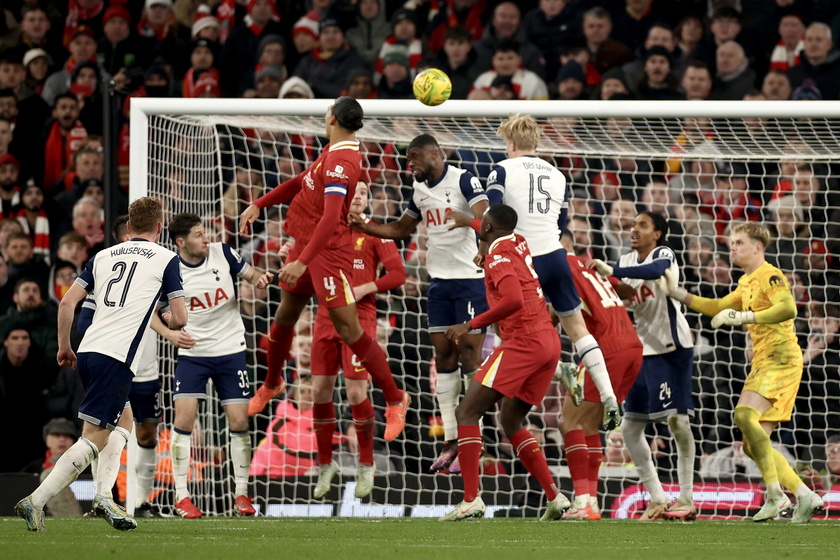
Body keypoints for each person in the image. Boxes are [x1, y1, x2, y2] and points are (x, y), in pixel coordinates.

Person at [240, 97, 410, 445]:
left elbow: (332, 217)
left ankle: (395, 398)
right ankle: (273, 382)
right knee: (284, 316)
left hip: (326, 252)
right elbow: (300, 183)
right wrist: (260, 202)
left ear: (331, 116)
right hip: (306, 243)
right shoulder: (333, 151)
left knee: (349, 331)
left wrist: (302, 261)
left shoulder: (342, 162)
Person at [15, 197, 187, 532]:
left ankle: (104, 496)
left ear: (127, 228)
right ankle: (36, 500)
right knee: (94, 438)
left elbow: (67, 302)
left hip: (90, 349)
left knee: (124, 421)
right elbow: (179, 317)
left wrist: (65, 346)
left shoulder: (102, 256)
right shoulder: (167, 259)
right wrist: (171, 316)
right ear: (160, 228)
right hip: (117, 356)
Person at [446, 113, 621, 430]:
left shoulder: (502, 168)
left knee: (510, 332)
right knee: (578, 330)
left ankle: (557, 369)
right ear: (536, 143)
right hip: (555, 256)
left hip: (522, 259)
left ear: (510, 143)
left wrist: (485, 248)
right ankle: (610, 397)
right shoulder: (557, 174)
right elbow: (561, 225)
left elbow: (494, 216)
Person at [661, 222, 826, 524]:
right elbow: (718, 306)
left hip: (781, 359)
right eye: (732, 242)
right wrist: (676, 293)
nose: (732, 247)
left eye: (738, 242)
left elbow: (788, 308)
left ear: (757, 247)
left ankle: (775, 496)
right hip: (763, 361)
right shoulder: (746, 281)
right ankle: (804, 494)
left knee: (743, 415)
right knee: (752, 445)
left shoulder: (770, 275)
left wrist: (744, 316)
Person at [347, 133, 488, 472]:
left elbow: (490, 221)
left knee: (469, 354)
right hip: (438, 284)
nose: (409, 166)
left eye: (413, 159)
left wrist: (468, 221)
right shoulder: (419, 191)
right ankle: (452, 438)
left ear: (435, 154)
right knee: (443, 357)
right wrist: (365, 225)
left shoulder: (464, 180)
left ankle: (475, 436)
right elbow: (400, 229)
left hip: (470, 282)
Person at [440, 203, 570, 521]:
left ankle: (471, 499)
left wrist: (470, 325)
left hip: (523, 342)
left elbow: (513, 299)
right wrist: (468, 220)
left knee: (466, 411)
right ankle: (556, 497)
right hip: (548, 343)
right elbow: (493, 229)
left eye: (481, 224)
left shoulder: (497, 257)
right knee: (510, 422)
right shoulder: (517, 241)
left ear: (488, 230)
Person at [75, 215, 195, 518]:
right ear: (121, 239)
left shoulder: (158, 268)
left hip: (146, 367)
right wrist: (168, 330)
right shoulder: (106, 272)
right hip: (114, 358)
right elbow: (85, 319)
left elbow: (168, 310)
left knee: (146, 433)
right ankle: (103, 497)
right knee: (98, 429)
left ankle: (142, 502)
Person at [588, 211, 697, 520]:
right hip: (641, 350)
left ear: (657, 234)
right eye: (633, 224)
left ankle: (687, 498)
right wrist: (600, 281)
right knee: (631, 427)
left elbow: (656, 270)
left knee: (679, 423)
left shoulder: (664, 254)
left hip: (672, 348)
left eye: (642, 225)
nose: (634, 229)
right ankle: (658, 497)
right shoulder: (626, 260)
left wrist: (610, 268)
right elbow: (627, 293)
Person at [166, 212, 273, 519]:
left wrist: (261, 279)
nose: (206, 238)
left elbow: (252, 275)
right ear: (181, 242)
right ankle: (181, 496)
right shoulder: (171, 270)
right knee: (184, 420)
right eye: (199, 234)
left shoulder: (224, 252)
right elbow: (162, 311)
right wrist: (171, 328)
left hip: (231, 349)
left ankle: (241, 493)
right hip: (193, 352)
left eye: (206, 231)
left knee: (240, 421)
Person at [309, 181, 406, 499]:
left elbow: (397, 274)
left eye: (365, 193)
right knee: (319, 391)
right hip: (325, 316)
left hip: (360, 318)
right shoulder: (327, 229)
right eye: (356, 192)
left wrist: (364, 289)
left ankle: (366, 464)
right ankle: (326, 465)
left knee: (354, 392)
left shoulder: (375, 232)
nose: (360, 198)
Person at [557, 230, 643, 520]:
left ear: (562, 244)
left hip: (605, 349)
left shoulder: (559, 264)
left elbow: (554, 314)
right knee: (589, 425)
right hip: (631, 345)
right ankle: (590, 502)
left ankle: (583, 501)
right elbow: (628, 291)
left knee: (569, 421)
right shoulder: (590, 264)